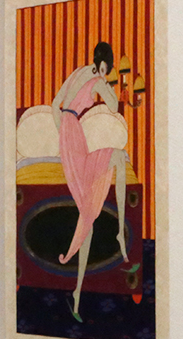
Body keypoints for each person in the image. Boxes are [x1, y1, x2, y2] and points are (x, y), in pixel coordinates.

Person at [50, 42, 129, 322]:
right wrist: (111, 83)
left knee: (88, 215)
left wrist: (64, 135)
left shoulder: (77, 73)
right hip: (73, 137)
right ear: (104, 63)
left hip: (70, 138)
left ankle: (77, 294)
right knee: (117, 160)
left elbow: (54, 105)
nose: (104, 71)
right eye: (106, 67)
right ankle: (119, 236)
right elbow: (115, 106)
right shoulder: (97, 77)